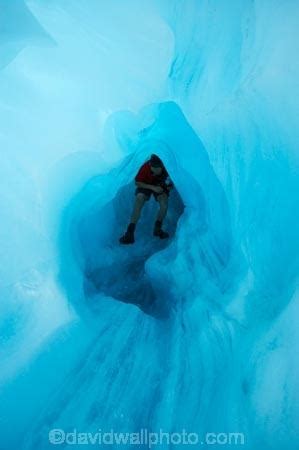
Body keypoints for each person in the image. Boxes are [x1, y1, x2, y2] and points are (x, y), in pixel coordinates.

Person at [119, 154, 174, 245]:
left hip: (159, 185)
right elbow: (137, 182)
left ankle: (158, 229)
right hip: (145, 184)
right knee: (139, 198)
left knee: (164, 203)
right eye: (153, 168)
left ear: (161, 166)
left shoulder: (165, 169)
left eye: (157, 169)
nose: (154, 171)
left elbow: (171, 185)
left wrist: (166, 188)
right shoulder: (145, 167)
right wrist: (152, 187)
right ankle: (130, 232)